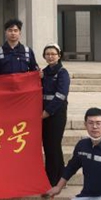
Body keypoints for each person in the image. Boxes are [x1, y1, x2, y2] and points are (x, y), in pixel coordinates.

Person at [41, 43, 70, 186]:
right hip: (43, 114)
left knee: (53, 145)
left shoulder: (62, 73)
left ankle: (53, 179)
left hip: (56, 114)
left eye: (53, 54)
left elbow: (61, 95)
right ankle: (60, 176)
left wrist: (47, 112)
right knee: (49, 145)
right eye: (47, 54)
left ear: (59, 56)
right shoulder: (43, 72)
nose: (50, 57)